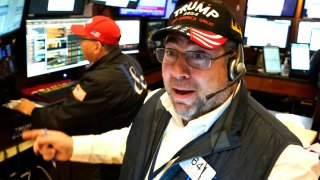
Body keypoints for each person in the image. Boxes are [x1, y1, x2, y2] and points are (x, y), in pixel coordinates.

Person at [23, 1, 320, 179]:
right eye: (171, 52)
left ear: (234, 65)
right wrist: (73, 146)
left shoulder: (285, 161)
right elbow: (135, 141)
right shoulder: (159, 102)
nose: (178, 70)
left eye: (199, 55)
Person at [15, 16, 148, 180]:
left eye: (82, 39)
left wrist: (32, 110)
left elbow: (59, 117)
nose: (78, 44)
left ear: (97, 46)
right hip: (125, 152)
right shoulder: (130, 61)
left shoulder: (97, 81)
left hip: (101, 164)